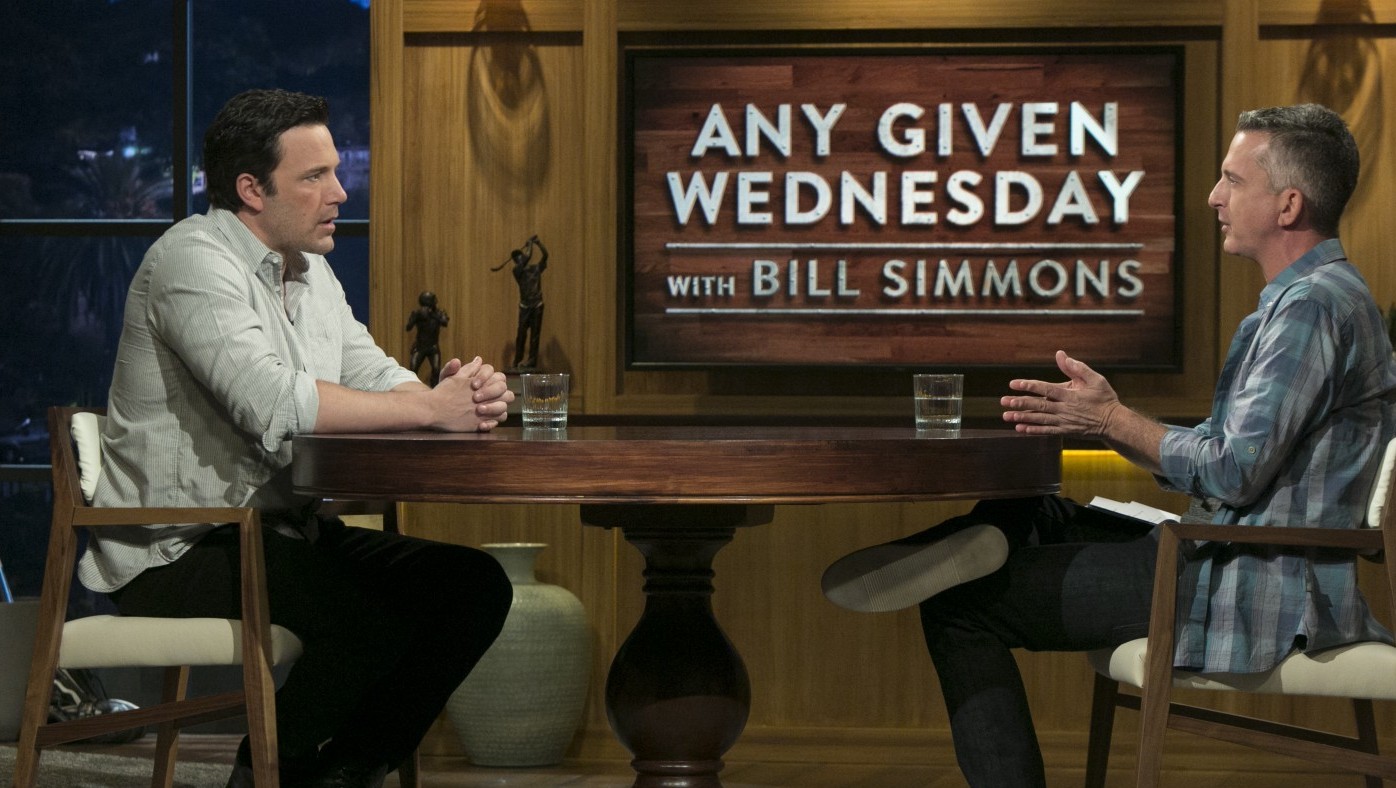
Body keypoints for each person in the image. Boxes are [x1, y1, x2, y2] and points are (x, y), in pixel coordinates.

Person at [820, 103, 1396, 787]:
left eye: (1233, 180)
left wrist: (1111, 423)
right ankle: (960, 547)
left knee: (960, 608)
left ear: (1288, 205)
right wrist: (1107, 422)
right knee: (1040, 507)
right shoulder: (1313, 298)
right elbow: (1232, 451)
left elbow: (1233, 471)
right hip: (1222, 552)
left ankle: (953, 556)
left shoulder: (1311, 307)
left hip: (1240, 582)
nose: (1214, 196)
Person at [78, 89, 516, 788]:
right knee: (370, 615)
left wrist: (449, 398)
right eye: (315, 176)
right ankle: (266, 774)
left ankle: (345, 771)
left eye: (335, 172)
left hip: (281, 533)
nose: (340, 192)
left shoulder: (309, 271)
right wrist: (434, 411)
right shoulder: (192, 262)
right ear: (252, 189)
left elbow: (373, 373)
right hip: (181, 547)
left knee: (473, 587)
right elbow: (274, 403)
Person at [494, 234, 547, 370]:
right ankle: (517, 360)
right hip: (525, 307)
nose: (521, 259)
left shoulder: (535, 269)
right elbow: (528, 257)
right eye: (518, 259)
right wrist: (530, 244)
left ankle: (531, 361)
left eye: (521, 257)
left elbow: (545, 256)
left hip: (537, 305)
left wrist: (538, 243)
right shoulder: (517, 271)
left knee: (535, 336)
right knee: (521, 334)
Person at [406, 290, 449, 384]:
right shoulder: (417, 313)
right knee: (413, 370)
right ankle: (412, 388)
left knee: (436, 370)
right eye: (433, 300)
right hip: (420, 346)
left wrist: (432, 314)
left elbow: (444, 322)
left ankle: (434, 388)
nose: (436, 302)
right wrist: (416, 316)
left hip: (433, 347)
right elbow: (408, 327)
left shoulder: (439, 313)